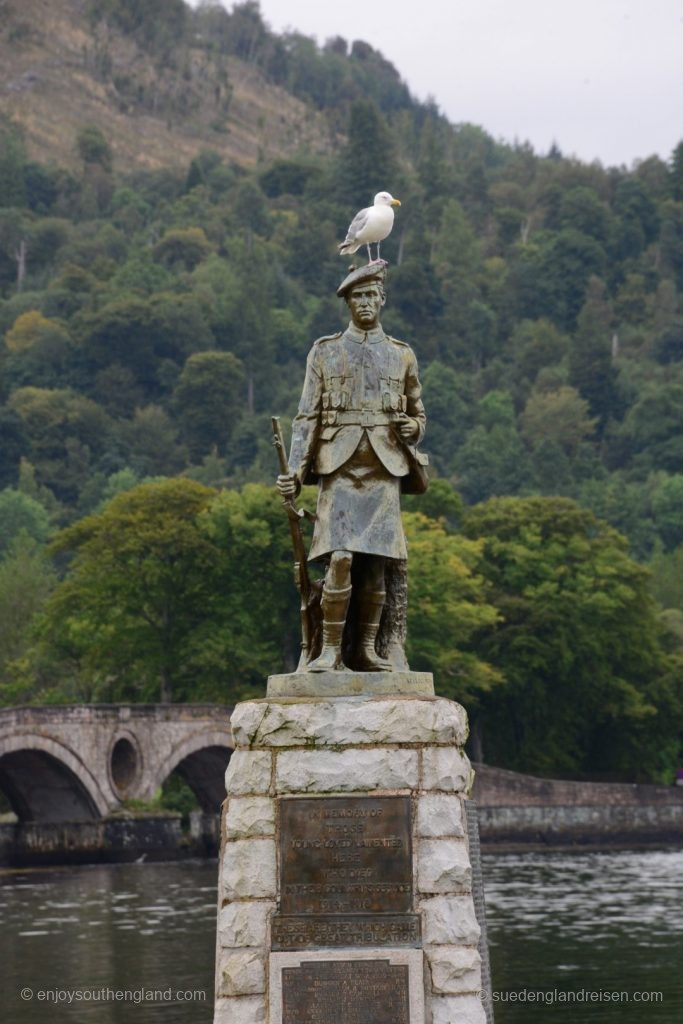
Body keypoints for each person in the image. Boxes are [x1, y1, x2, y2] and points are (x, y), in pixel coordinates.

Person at [277, 264, 427, 672]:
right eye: (356, 296)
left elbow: (418, 414)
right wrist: (294, 471)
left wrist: (413, 427)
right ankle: (329, 650)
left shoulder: (401, 354)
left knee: (376, 564)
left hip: (383, 468)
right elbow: (306, 417)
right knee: (340, 557)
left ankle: (366, 649)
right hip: (339, 468)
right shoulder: (324, 351)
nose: (364, 303)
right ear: (347, 302)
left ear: (382, 299)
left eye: (370, 295)